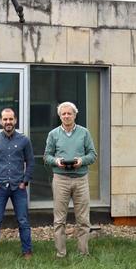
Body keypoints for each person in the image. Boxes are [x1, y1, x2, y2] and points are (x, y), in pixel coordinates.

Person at [43, 101, 97, 257]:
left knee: (83, 220)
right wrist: (56, 162)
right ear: (59, 116)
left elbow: (92, 155)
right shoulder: (53, 134)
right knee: (59, 220)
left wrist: (81, 161)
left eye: (69, 113)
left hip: (81, 179)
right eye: (63, 114)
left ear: (75, 114)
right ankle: (61, 253)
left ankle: (83, 253)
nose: (66, 116)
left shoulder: (84, 133)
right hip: (61, 179)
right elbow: (47, 156)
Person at [0, 108, 34, 258]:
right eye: (5, 119)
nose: (8, 122)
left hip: (18, 187)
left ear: (15, 120)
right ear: (0, 121)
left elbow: (31, 162)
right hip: (0, 187)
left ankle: (27, 251)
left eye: (11, 119)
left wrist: (25, 181)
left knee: (23, 220)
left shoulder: (24, 140)